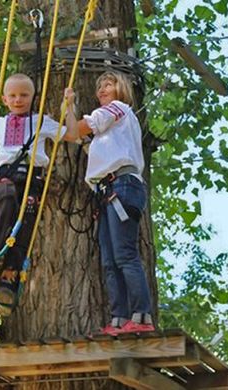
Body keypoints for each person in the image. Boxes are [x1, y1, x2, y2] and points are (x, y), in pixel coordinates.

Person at [0, 73, 77, 316]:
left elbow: (71, 135)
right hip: (6, 174)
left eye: (24, 95)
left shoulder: (41, 120)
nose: (18, 100)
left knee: (24, 227)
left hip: (31, 178)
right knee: (5, 199)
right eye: (13, 96)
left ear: (33, 97)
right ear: (5, 100)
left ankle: (8, 281)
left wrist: (68, 108)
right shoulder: (0, 123)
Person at [64, 71, 155, 334]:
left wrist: (69, 106)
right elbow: (76, 135)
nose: (102, 90)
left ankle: (141, 316)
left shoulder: (118, 109)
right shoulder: (110, 132)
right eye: (99, 86)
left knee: (124, 254)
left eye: (109, 84)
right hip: (109, 190)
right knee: (110, 259)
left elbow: (75, 131)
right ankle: (119, 318)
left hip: (122, 186)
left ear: (121, 89)